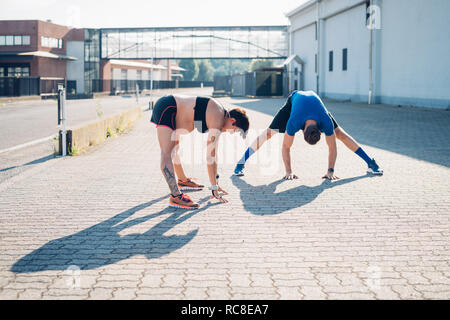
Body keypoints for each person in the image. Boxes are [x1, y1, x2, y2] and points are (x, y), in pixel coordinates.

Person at [233, 90, 383, 180]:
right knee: (268, 134)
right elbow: (286, 147)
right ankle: (241, 163)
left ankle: (371, 163)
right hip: (294, 101)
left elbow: (332, 147)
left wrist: (330, 171)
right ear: (302, 130)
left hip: (316, 105)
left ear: (320, 129)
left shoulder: (326, 123)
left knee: (340, 134)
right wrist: (288, 172)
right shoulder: (293, 122)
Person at [151, 94, 249, 209]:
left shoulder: (220, 115)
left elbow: (214, 154)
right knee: (167, 153)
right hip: (167, 107)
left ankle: (182, 180)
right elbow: (210, 155)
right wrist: (213, 188)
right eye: (235, 130)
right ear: (232, 121)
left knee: (175, 149)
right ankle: (175, 196)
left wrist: (215, 183)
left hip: (174, 111)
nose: (231, 133)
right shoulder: (218, 116)